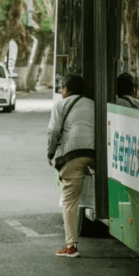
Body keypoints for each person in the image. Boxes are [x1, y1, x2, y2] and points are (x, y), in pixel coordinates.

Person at [47, 73, 95, 258]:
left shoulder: (61, 104)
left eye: (62, 88)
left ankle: (71, 246)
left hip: (72, 154)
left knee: (69, 200)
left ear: (66, 89)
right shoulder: (92, 104)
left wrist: (50, 153)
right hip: (95, 154)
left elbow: (53, 130)